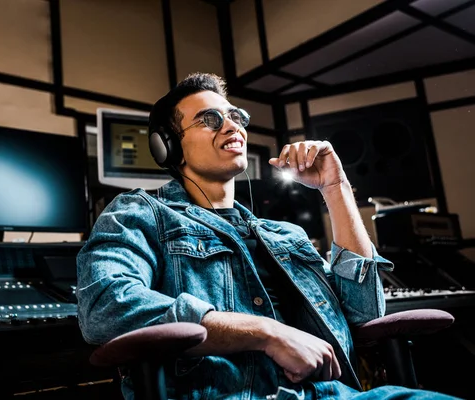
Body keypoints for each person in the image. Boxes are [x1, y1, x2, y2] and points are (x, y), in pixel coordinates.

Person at [76, 72, 460, 400]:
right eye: (210, 119)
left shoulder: (283, 234)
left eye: (235, 116)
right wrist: (266, 332)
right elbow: (106, 305)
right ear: (168, 146)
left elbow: (364, 312)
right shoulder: (140, 213)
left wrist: (336, 188)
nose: (232, 126)